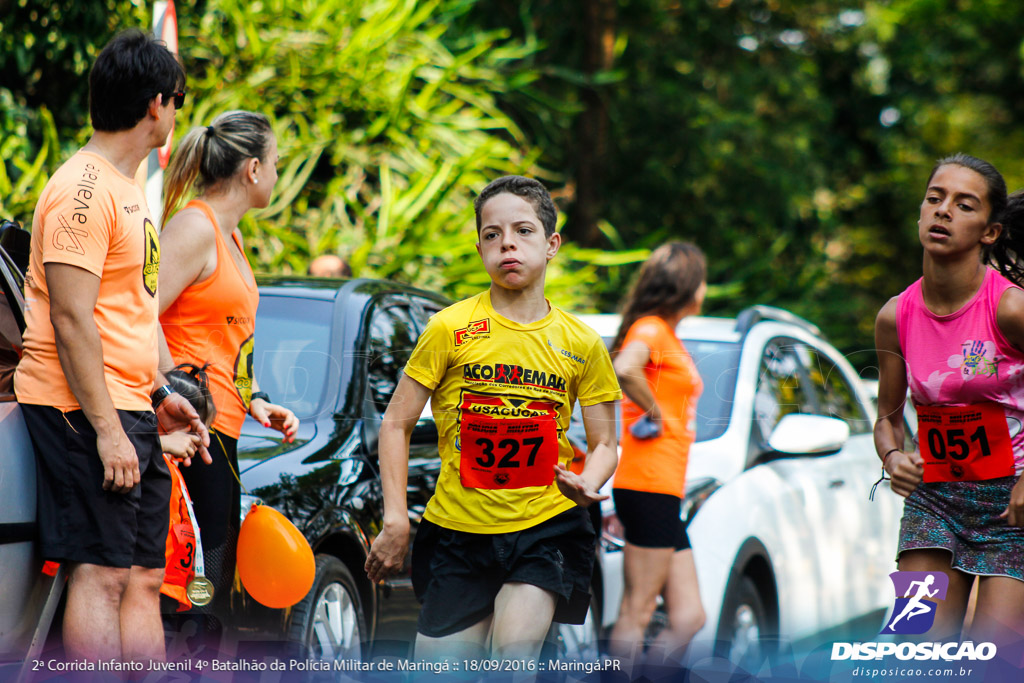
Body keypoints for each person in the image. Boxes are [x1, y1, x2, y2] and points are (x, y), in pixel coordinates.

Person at [364, 175, 621, 662]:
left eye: (523, 231)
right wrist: (396, 518)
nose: (506, 244)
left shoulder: (582, 343)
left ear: (551, 245)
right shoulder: (450, 327)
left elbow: (606, 443)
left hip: (545, 528)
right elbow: (395, 424)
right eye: (491, 234)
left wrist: (588, 480)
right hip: (458, 533)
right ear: (480, 247)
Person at [13, 29, 209, 663]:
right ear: (156, 103)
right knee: (99, 572)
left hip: (128, 404)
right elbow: (71, 320)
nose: (176, 114)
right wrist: (105, 429)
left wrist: (158, 395)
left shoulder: (130, 190)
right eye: (176, 100)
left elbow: (125, 315)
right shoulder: (84, 189)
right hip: (78, 410)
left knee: (144, 576)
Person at [158, 109, 299, 637]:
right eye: (278, 164)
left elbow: (231, 339)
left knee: (213, 574)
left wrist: (256, 396)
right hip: (190, 427)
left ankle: (195, 660)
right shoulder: (194, 228)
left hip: (227, 428)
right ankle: (180, 663)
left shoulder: (231, 236)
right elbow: (138, 319)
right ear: (254, 169)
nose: (279, 175)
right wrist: (164, 397)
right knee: (197, 577)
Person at [875, 153, 1024, 646]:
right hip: (935, 498)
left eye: (964, 205)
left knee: (993, 662)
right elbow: (888, 420)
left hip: (1012, 506)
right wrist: (894, 457)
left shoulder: (1010, 309)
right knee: (914, 651)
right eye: (935, 199)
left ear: (991, 232)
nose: (943, 211)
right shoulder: (895, 316)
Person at [607, 243, 707, 665]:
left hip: (663, 488)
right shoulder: (649, 328)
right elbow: (624, 368)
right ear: (686, 286)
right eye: (702, 278)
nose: (705, 287)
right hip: (647, 484)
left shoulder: (664, 334)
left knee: (689, 616)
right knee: (637, 609)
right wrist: (656, 411)